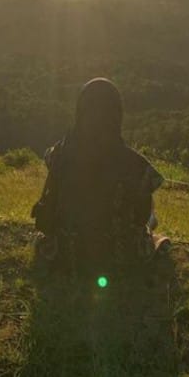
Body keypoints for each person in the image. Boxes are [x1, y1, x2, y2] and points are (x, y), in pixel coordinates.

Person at [32, 78, 168, 276]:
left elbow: (48, 202)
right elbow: (141, 217)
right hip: (119, 258)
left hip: (66, 255)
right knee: (151, 220)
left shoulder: (58, 154)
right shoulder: (135, 164)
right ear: (117, 115)